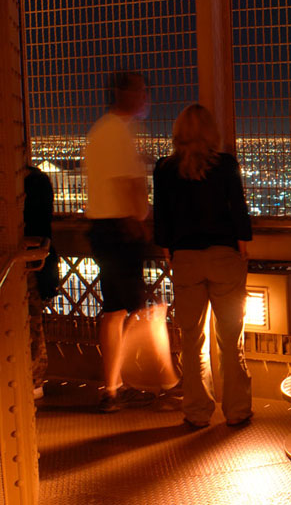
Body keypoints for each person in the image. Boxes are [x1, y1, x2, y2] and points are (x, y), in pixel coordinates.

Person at [153, 103, 253, 429]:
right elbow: (238, 210)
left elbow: (162, 218)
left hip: (185, 259)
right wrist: (242, 246)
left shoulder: (165, 169)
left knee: (192, 339)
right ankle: (237, 411)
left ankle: (197, 412)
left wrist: (170, 250)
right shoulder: (225, 165)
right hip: (224, 256)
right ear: (212, 132)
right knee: (230, 339)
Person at [84, 72, 155, 413]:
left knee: (115, 310)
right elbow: (127, 184)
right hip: (120, 231)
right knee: (132, 310)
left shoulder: (100, 131)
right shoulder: (118, 133)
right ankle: (141, 380)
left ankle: (113, 386)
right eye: (141, 91)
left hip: (103, 229)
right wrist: (141, 224)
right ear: (124, 94)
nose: (146, 97)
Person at [24, 164, 58, 399]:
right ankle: (35, 379)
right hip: (35, 265)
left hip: (25, 265)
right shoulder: (38, 181)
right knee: (33, 319)